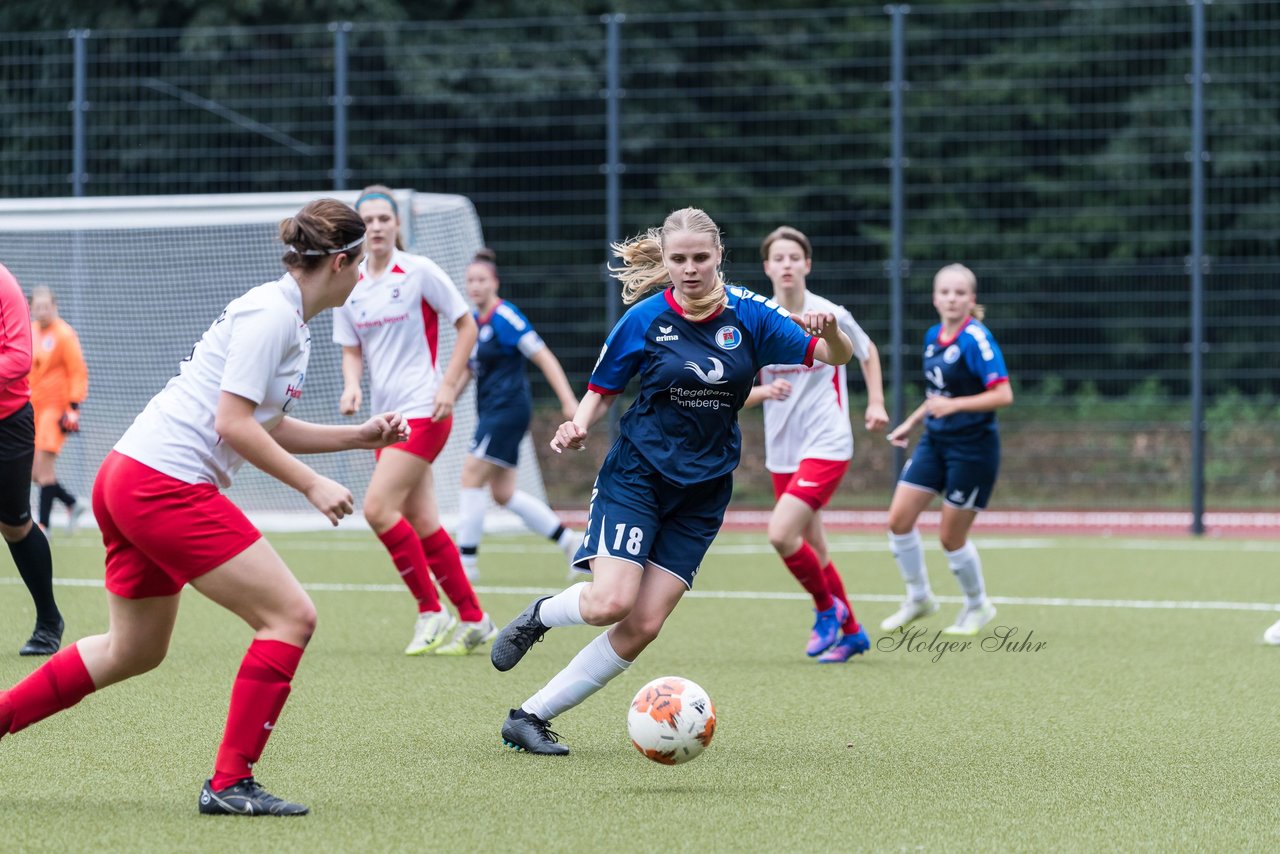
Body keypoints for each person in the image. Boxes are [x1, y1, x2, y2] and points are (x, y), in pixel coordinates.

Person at [0, 199, 409, 816]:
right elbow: (233, 425)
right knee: (290, 617)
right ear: (344, 261)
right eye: (360, 266)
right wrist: (311, 485)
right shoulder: (273, 314)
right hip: (161, 483)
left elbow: (267, 423)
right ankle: (228, 783)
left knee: (133, 649)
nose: (363, 277)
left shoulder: (288, 316)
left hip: (133, 475)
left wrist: (356, 437)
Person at [487, 207, 855, 755]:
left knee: (644, 624)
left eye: (700, 258)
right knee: (610, 603)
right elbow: (602, 387)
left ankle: (530, 716)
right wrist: (577, 425)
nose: (689, 269)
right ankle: (541, 614)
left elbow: (830, 356)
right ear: (665, 260)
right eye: (678, 259)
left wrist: (837, 334)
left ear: (719, 257)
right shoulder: (643, 319)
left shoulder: (753, 316)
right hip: (638, 476)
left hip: (703, 492)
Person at [336, 185, 492, 656]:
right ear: (359, 228)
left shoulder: (419, 271)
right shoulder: (351, 284)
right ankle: (475, 619)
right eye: (369, 220)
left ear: (397, 224)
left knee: (378, 509)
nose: (378, 227)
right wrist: (352, 385)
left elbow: (467, 323)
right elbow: (350, 347)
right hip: (385, 420)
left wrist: (448, 385)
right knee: (423, 521)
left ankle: (431, 610)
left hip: (425, 410)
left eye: (385, 218)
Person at [744, 226, 888, 663]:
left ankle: (827, 610)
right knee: (816, 548)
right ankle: (853, 632)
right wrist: (763, 393)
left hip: (826, 443)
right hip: (783, 451)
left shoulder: (828, 312)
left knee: (780, 533)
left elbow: (867, 351)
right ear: (767, 267)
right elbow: (732, 389)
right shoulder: (758, 318)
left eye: (794, 257)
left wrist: (877, 402)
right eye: (778, 258)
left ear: (807, 264)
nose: (787, 265)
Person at [880, 263, 1012, 637]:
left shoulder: (976, 340)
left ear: (971, 300)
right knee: (898, 520)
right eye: (945, 292)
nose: (952, 299)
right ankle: (919, 597)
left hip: (972, 449)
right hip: (935, 442)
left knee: (950, 537)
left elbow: (1003, 394)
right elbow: (938, 395)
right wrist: (911, 421)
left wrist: (953, 407)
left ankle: (978, 605)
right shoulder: (932, 336)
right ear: (935, 298)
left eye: (959, 293)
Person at [454, 247, 581, 581]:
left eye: (482, 279)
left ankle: (465, 564)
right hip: (493, 413)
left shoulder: (505, 317)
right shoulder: (475, 323)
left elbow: (544, 357)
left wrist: (569, 401)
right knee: (503, 493)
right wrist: (443, 402)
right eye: (470, 280)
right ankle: (570, 543)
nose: (475, 286)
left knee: (470, 476)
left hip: (508, 410)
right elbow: (468, 371)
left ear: (495, 282)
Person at [0, 264, 63, 656]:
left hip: (7, 424)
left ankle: (48, 621)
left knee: (14, 524)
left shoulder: (3, 284)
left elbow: (19, 359)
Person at [28, 286, 89, 535]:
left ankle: (43, 525)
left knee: (44, 470)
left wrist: (73, 407)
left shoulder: (64, 335)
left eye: (46, 307)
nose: (42, 312)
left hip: (56, 410)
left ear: (54, 307)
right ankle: (72, 503)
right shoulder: (30, 332)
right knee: (33, 472)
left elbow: (78, 371)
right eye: (37, 307)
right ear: (31, 308)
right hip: (32, 410)